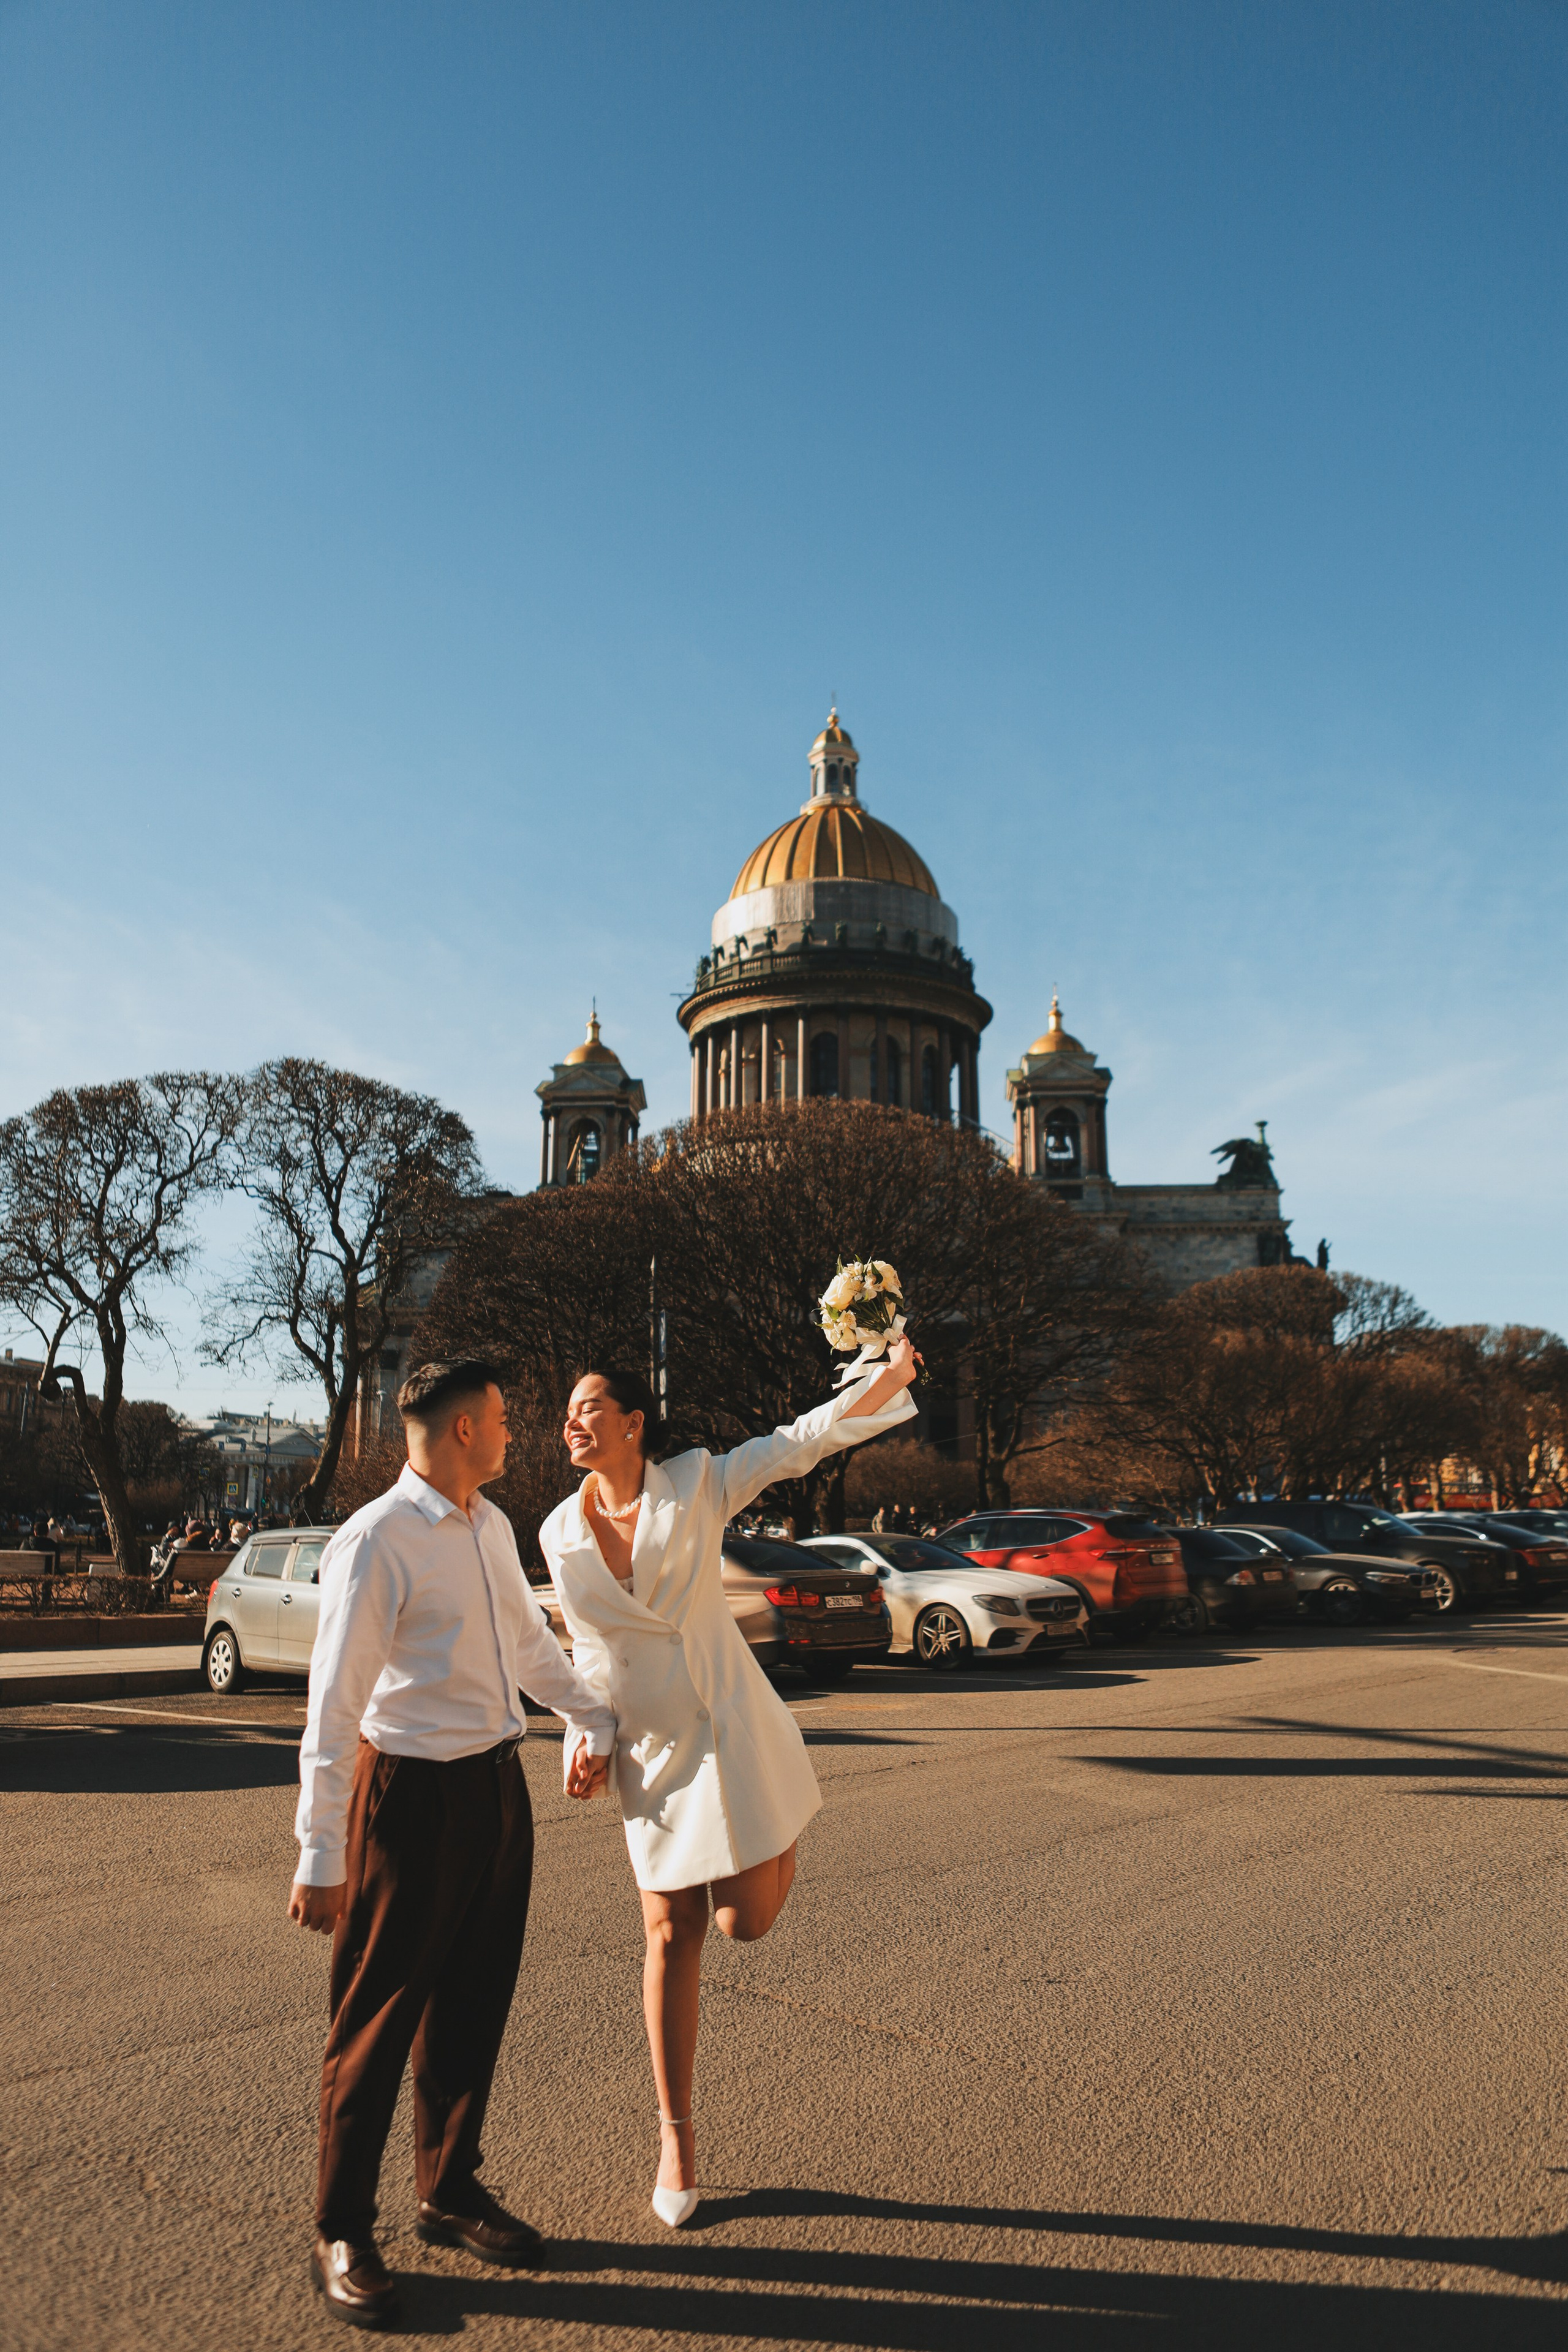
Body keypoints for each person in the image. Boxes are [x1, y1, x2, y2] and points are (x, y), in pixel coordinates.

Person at [541, 1334, 921, 2229]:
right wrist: (585, 1736)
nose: (572, 1423)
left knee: (742, 1923)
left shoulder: (698, 1481)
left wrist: (888, 1378)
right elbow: (586, 1651)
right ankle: (676, 2138)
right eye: (569, 1413)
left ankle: (779, 1835)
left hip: (730, 1729)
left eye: (590, 1407)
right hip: (650, 1752)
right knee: (670, 1933)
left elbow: (798, 1443)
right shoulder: (558, 1531)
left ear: (634, 1424)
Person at [289, 1359, 617, 2329]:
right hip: (408, 1800)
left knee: (474, 2003)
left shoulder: (491, 1526)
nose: (515, 1431)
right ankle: (342, 2228)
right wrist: (320, 1854)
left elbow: (527, 1646)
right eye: (504, 1418)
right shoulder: (375, 1540)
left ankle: (448, 2189)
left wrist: (590, 1712)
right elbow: (333, 1707)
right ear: (465, 1428)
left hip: (494, 1789)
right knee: (377, 2017)